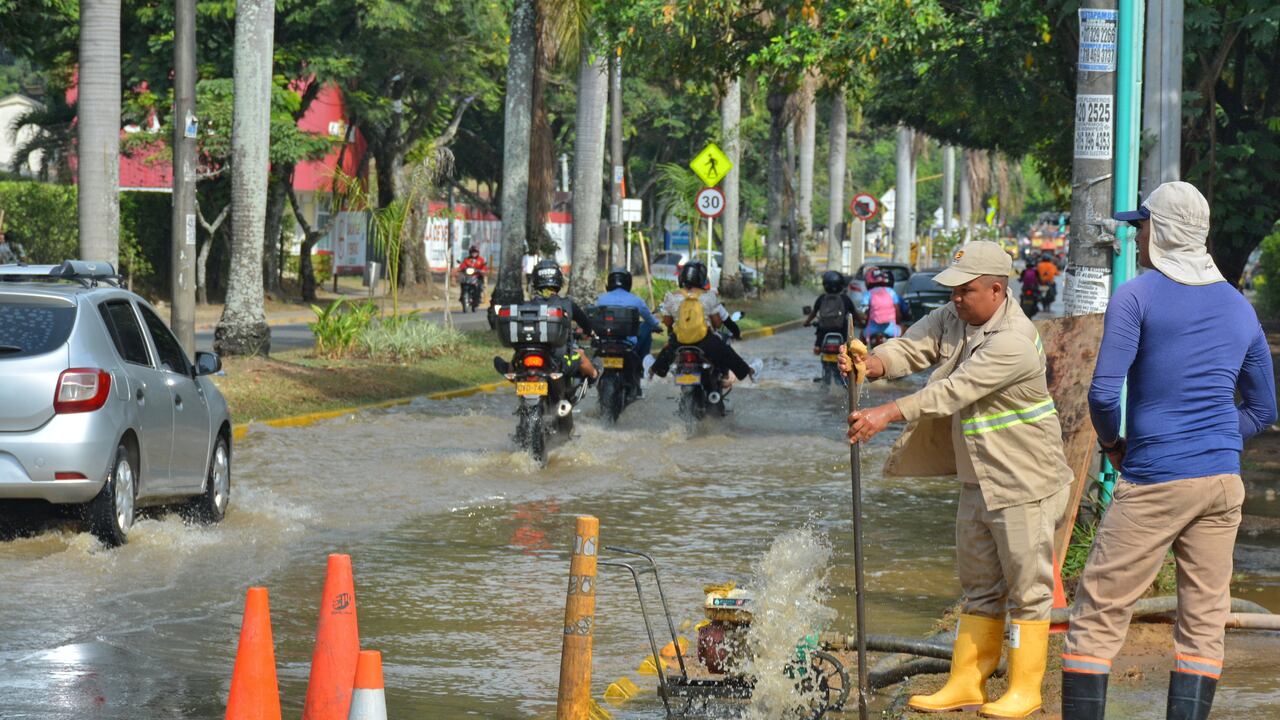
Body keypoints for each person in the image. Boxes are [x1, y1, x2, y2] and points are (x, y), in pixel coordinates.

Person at [1060, 182, 1277, 720]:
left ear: (1161, 232)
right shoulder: (1237, 306)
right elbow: (1263, 409)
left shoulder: (1139, 295)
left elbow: (1104, 394)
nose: (1136, 237)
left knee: (1097, 614)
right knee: (1204, 622)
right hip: (1222, 485)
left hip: (1156, 478)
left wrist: (1113, 445)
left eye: (1141, 226)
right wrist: (1219, 438)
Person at [840, 241, 1074, 718]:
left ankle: (1025, 688)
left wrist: (887, 411)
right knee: (979, 584)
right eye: (954, 290)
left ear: (996, 289)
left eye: (966, 291)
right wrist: (873, 362)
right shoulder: (956, 316)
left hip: (1024, 481)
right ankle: (968, 681)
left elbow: (951, 391)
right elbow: (911, 346)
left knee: (1029, 588)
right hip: (980, 476)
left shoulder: (1012, 339)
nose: (957, 298)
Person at [650, 261, 756, 384]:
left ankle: (652, 372)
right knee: (727, 352)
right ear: (701, 278)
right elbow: (717, 323)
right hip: (704, 341)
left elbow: (668, 321)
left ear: (682, 276)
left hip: (679, 341)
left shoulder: (672, 297)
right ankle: (749, 371)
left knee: (667, 351)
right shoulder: (708, 297)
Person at [527, 259, 598, 383]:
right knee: (580, 355)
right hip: (560, 357)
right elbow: (584, 322)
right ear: (558, 280)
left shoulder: (527, 306)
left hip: (530, 353)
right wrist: (590, 332)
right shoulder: (567, 304)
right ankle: (595, 374)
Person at [596, 268, 663, 391]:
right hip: (629, 343)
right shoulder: (636, 300)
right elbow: (650, 320)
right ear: (628, 282)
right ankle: (642, 363)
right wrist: (656, 326)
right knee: (647, 327)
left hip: (605, 342)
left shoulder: (601, 300)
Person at [804, 270, 863, 353]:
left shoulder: (822, 298)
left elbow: (814, 312)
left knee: (820, 329)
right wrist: (861, 323)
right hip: (841, 329)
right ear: (841, 284)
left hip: (824, 329)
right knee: (847, 334)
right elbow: (854, 313)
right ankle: (847, 349)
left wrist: (807, 322)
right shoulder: (845, 298)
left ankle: (817, 346)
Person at [862, 266, 906, 340]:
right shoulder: (891, 292)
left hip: (871, 330)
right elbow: (897, 312)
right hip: (892, 330)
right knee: (905, 330)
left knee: (861, 337)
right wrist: (898, 323)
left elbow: (863, 313)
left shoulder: (868, 293)